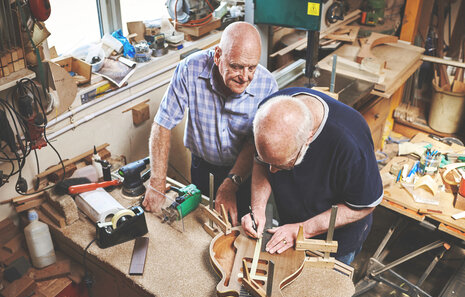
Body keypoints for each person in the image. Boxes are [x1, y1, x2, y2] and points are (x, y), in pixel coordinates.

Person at [142, 22, 278, 225]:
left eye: (252, 68)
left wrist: (230, 184)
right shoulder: (190, 69)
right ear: (217, 56)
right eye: (236, 66)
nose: (245, 77)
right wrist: (156, 183)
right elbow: (163, 124)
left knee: (238, 228)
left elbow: (255, 144)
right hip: (202, 167)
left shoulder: (267, 85)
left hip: (244, 172)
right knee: (200, 224)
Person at [241, 88, 383, 265]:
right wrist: (257, 209)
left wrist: (303, 230)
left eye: (281, 165)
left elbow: (364, 206)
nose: (272, 172)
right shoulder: (270, 112)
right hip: (291, 223)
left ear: (307, 139)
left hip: (333, 241)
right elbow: (261, 163)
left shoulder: (351, 144)